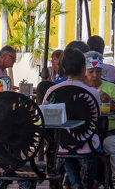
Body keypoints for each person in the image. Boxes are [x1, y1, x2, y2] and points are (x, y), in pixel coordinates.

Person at [42, 48, 99, 189]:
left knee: (63, 141)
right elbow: (96, 119)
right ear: (84, 68)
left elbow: (45, 118)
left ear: (63, 68)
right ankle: (80, 184)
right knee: (97, 144)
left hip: (61, 144)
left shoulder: (52, 91)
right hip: (87, 143)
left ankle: (74, 182)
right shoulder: (93, 92)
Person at [83, 51, 115, 134]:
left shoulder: (110, 87)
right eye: (90, 71)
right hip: (89, 131)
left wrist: (112, 103)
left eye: (98, 71)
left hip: (111, 131)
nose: (95, 75)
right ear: (84, 72)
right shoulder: (81, 88)